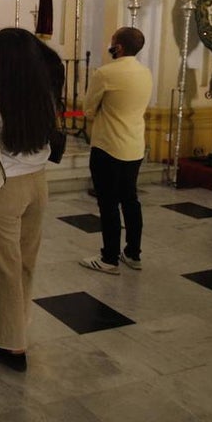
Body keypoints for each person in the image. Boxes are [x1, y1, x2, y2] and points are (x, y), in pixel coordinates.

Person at [0, 28, 58, 371]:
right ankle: (12, 321)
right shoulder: (44, 93)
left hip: (7, 187)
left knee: (2, 265)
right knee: (24, 261)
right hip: (38, 183)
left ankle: (9, 344)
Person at [80, 27, 153, 275]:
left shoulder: (105, 73)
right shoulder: (146, 73)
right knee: (130, 200)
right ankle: (133, 253)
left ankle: (109, 258)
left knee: (108, 203)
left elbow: (88, 109)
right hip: (134, 146)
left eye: (112, 42)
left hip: (108, 146)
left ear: (118, 47)